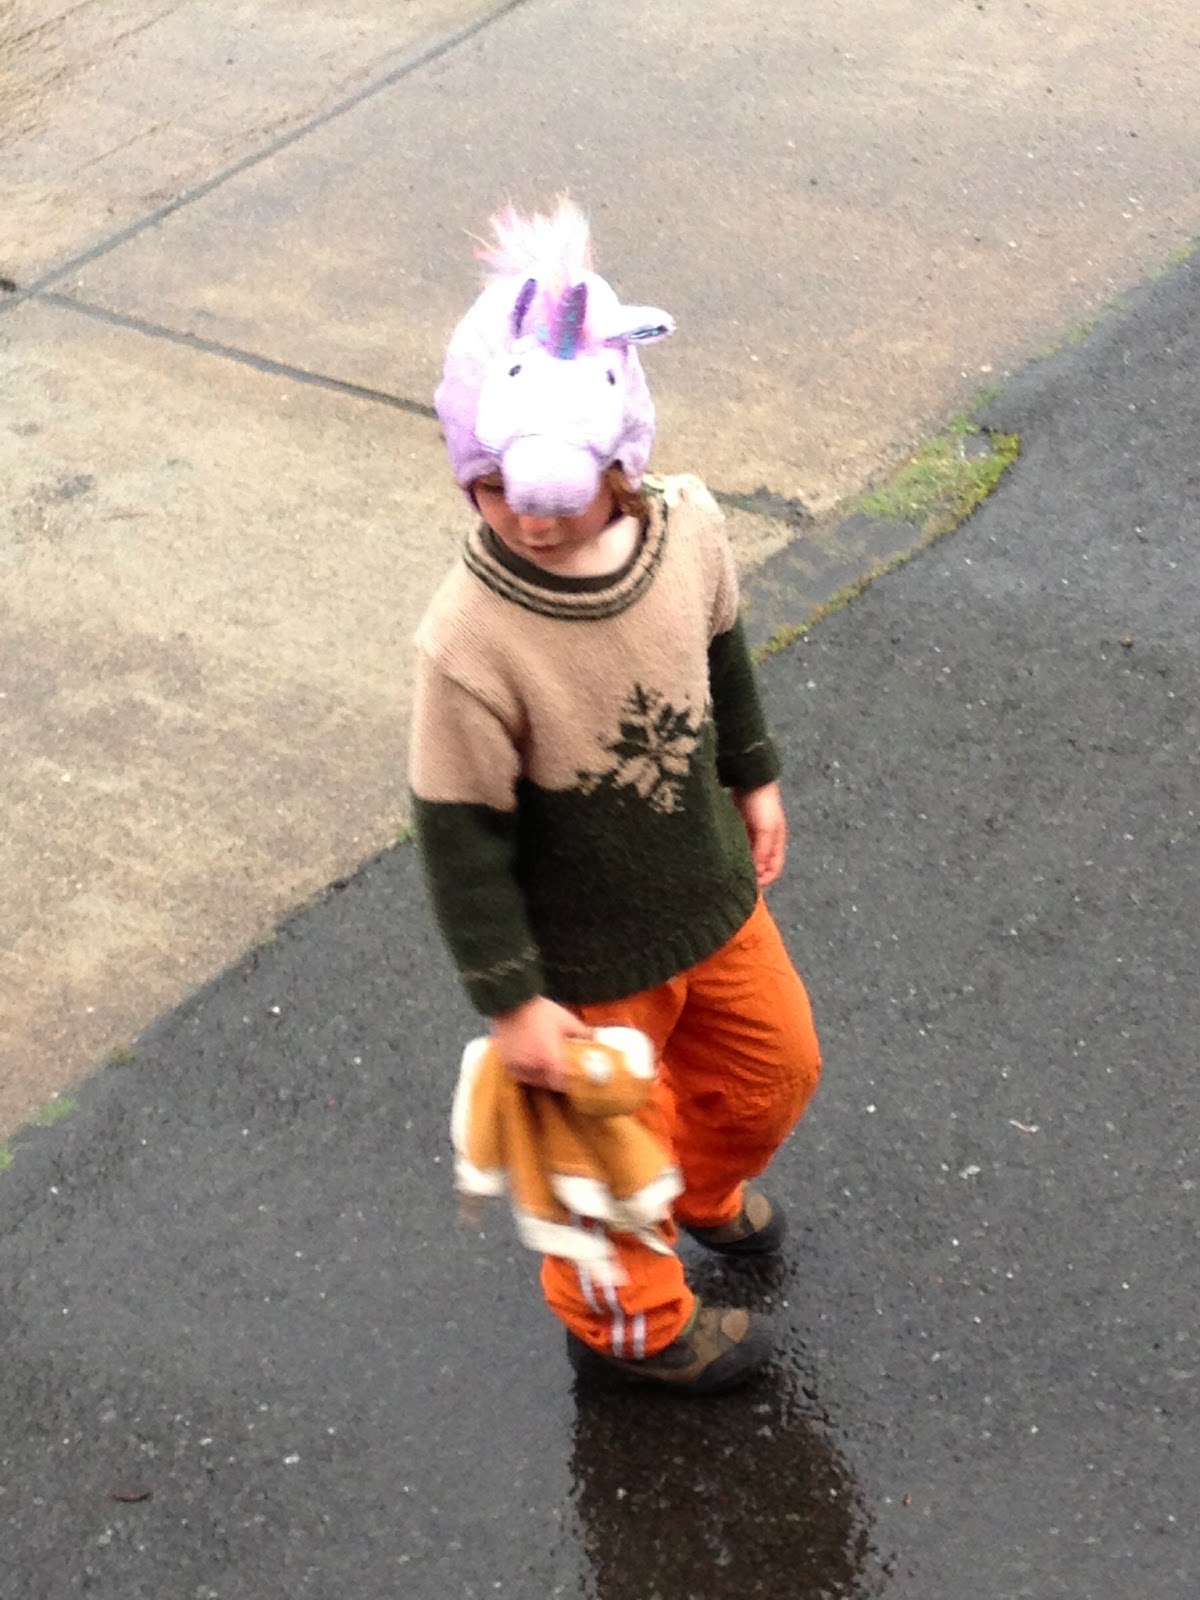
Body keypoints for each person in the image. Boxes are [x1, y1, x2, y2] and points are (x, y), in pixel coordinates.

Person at [410, 198, 821, 1394]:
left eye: (561, 488)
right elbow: (457, 832)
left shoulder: (686, 531)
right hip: (587, 960)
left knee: (776, 1067)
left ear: (621, 457)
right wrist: (511, 998)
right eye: (496, 487)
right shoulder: (469, 641)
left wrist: (753, 773)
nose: (531, 515)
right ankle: (631, 1323)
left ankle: (695, 1185)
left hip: (708, 891)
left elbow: (722, 651)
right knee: (595, 1161)